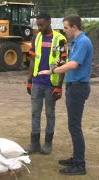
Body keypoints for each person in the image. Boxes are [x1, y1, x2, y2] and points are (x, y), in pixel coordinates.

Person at [38, 15, 93, 175]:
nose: (64, 30)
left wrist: (52, 70)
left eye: (66, 27)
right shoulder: (76, 42)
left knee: (75, 127)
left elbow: (75, 64)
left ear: (74, 27)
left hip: (78, 87)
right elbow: (71, 61)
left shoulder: (82, 42)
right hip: (73, 86)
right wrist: (61, 63)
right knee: (73, 125)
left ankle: (79, 165)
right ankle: (76, 158)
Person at [25, 12, 67, 155]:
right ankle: (34, 143)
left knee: (50, 113)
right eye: (38, 25)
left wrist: (59, 86)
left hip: (51, 84)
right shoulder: (36, 38)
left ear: (49, 22)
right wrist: (29, 81)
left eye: (42, 25)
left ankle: (48, 143)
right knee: (35, 113)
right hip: (37, 82)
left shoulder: (60, 39)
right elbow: (32, 60)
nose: (40, 28)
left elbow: (63, 63)